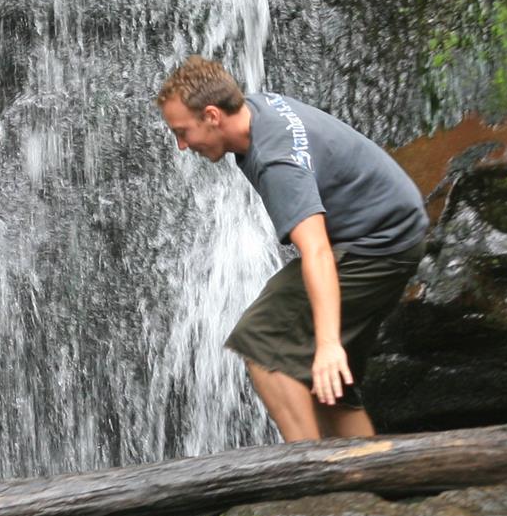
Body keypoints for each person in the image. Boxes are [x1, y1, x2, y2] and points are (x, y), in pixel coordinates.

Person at [157, 56, 429, 441]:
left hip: (378, 244)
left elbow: (316, 250)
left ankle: (306, 472)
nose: (182, 146)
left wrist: (329, 343)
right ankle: (368, 475)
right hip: (395, 232)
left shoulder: (277, 161)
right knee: (328, 386)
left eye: (183, 132)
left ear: (213, 116)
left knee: (264, 342)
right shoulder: (259, 109)